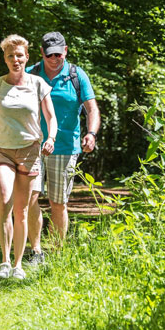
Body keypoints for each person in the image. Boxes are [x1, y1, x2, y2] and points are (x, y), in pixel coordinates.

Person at [0, 34, 57, 280]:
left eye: (19, 55)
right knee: (5, 200)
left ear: (27, 57)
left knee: (21, 210)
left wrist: (51, 138)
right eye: (10, 56)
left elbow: (51, 117)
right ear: (5, 59)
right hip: (2, 150)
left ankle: (18, 264)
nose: (15, 60)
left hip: (30, 150)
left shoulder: (38, 84)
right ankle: (5, 261)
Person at [25, 32, 100, 265]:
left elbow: (92, 109)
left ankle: (57, 254)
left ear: (65, 51)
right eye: (49, 55)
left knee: (58, 203)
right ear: (42, 53)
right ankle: (36, 252)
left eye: (58, 54)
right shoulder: (30, 74)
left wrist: (91, 133)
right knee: (30, 199)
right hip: (32, 146)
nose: (54, 59)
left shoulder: (76, 75)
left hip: (66, 147)